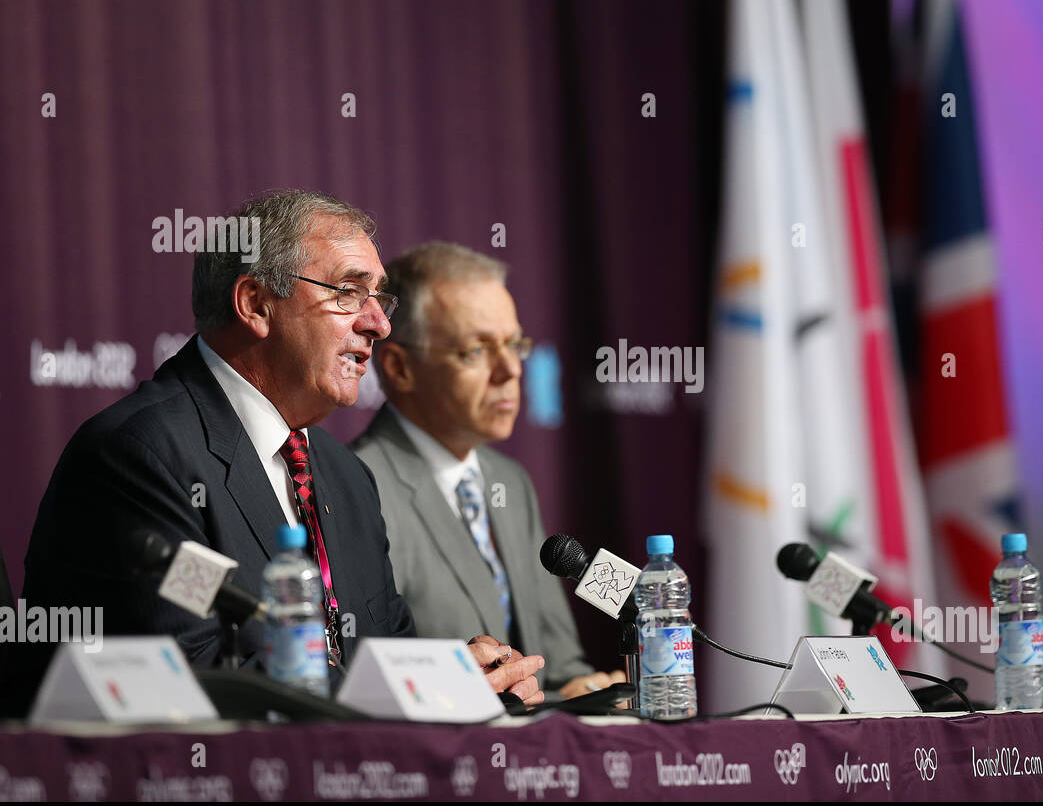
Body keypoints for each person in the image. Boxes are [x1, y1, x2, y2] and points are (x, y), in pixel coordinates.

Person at [15, 191, 543, 710]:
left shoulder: (346, 478)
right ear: (255, 304)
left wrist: (465, 675)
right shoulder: (141, 457)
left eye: (379, 299)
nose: (379, 324)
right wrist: (427, 690)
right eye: (349, 293)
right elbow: (193, 682)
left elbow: (386, 655)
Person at [353, 241, 624, 700]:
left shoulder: (508, 482)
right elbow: (363, 676)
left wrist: (588, 689)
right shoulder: (356, 485)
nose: (510, 370)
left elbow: (557, 665)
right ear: (399, 367)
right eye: (477, 350)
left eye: (514, 345)